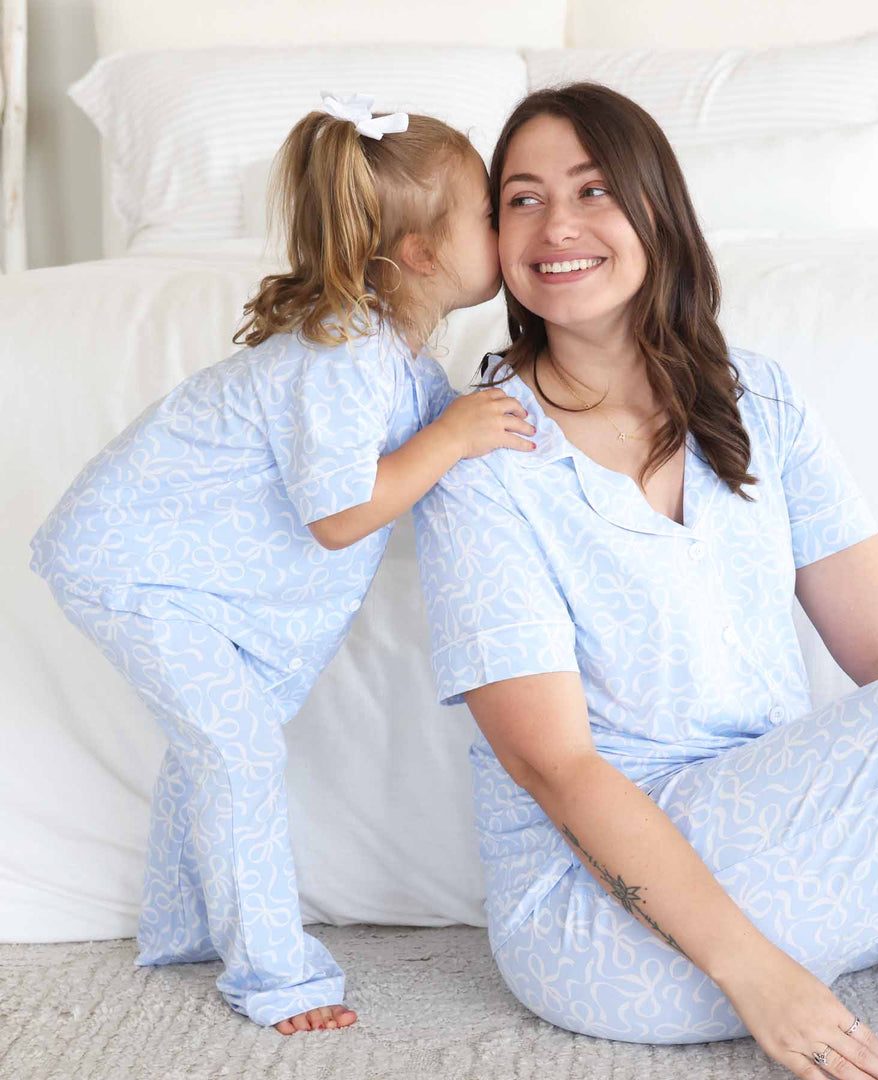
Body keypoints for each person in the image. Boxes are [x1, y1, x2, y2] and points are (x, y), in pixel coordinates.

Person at [411, 82, 878, 1080]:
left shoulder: (757, 395)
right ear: (494, 236)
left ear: (657, 208)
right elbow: (557, 766)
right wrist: (759, 976)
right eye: (523, 199)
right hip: (605, 923)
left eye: (593, 190)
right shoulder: (479, 457)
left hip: (790, 856)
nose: (557, 227)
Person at [28, 91, 537, 1034]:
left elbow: (445, 455)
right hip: (130, 565)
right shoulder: (341, 355)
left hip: (193, 581)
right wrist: (453, 438)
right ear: (423, 254)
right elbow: (340, 517)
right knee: (239, 748)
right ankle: (276, 976)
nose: (510, 226)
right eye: (490, 210)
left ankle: (184, 928)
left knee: (219, 744)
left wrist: (482, 427)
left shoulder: (398, 361)